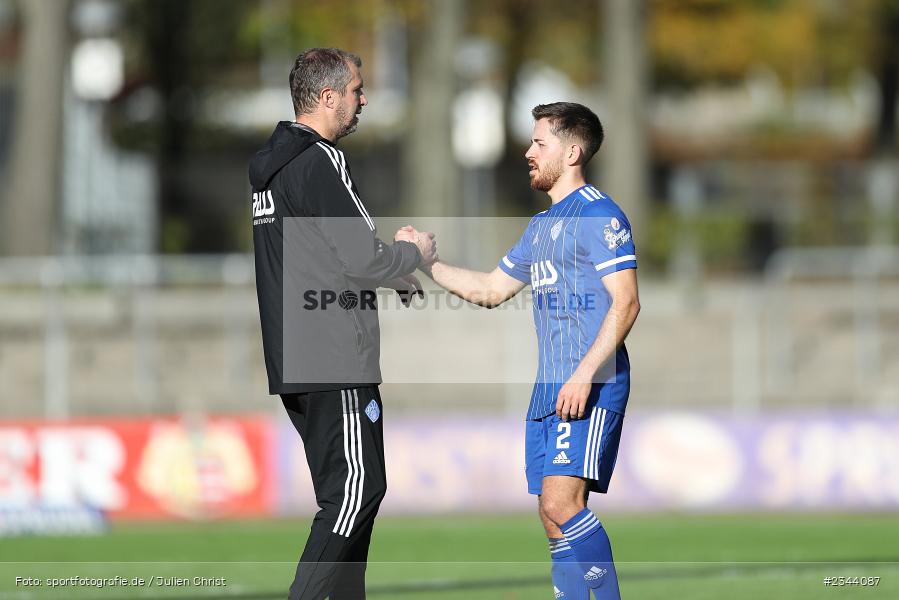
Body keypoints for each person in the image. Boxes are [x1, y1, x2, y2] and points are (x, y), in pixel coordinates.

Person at [407, 102, 639, 599]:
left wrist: (584, 374)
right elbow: (492, 289)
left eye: (540, 142)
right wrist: (430, 264)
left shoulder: (601, 215)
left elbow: (628, 302)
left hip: (589, 384)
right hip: (549, 388)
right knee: (551, 518)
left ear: (572, 151)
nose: (528, 151)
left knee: (562, 505)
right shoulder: (542, 227)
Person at [249, 47, 437, 600]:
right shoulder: (320, 160)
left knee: (351, 496)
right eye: (357, 90)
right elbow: (360, 255)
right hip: (333, 354)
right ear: (328, 97)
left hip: (294, 357)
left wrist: (391, 274)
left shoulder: (273, 166)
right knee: (355, 494)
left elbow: (327, 255)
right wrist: (413, 256)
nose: (363, 100)